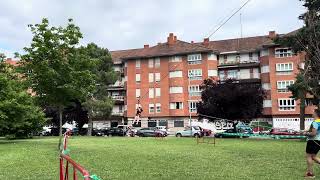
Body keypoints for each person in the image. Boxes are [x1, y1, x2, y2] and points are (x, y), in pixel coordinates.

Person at [303, 109, 320, 178]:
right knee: (313, 156)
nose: (312, 113)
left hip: (313, 141)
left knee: (309, 156)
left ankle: (310, 173)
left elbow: (313, 133)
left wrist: (306, 134)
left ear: (316, 114)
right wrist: (306, 131)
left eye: (313, 112)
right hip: (318, 141)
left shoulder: (315, 122)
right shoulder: (318, 121)